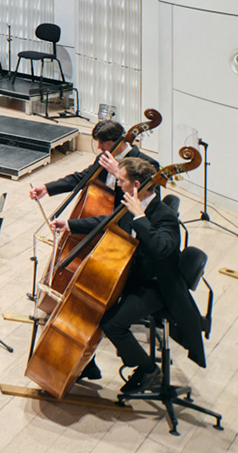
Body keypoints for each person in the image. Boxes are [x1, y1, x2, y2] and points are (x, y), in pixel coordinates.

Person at [50, 158, 204, 392]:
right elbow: (106, 221)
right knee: (92, 306)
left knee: (113, 323)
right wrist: (70, 225)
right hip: (132, 277)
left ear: (136, 184)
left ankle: (149, 370)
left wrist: (140, 217)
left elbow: (161, 248)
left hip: (158, 287)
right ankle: (87, 364)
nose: (118, 183)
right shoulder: (130, 203)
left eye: (121, 180)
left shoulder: (164, 216)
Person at [29, 119, 159, 204]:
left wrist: (118, 173)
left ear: (119, 142)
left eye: (103, 143)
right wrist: (47, 188)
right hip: (101, 213)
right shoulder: (105, 157)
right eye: (98, 142)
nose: (99, 147)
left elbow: (150, 200)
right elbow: (82, 178)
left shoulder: (148, 164)